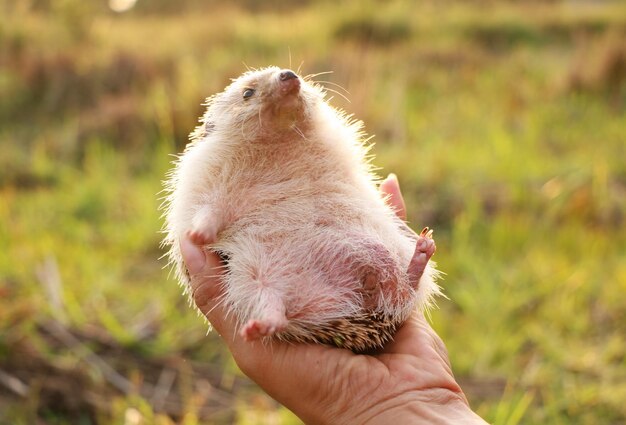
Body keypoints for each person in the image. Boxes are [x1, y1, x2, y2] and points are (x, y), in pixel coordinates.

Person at [180, 174, 488, 424]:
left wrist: (403, 406)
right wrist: (418, 403)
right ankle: (275, 310)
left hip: (317, 259)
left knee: (382, 260)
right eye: (249, 92)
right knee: (261, 275)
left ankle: (278, 308)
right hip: (301, 270)